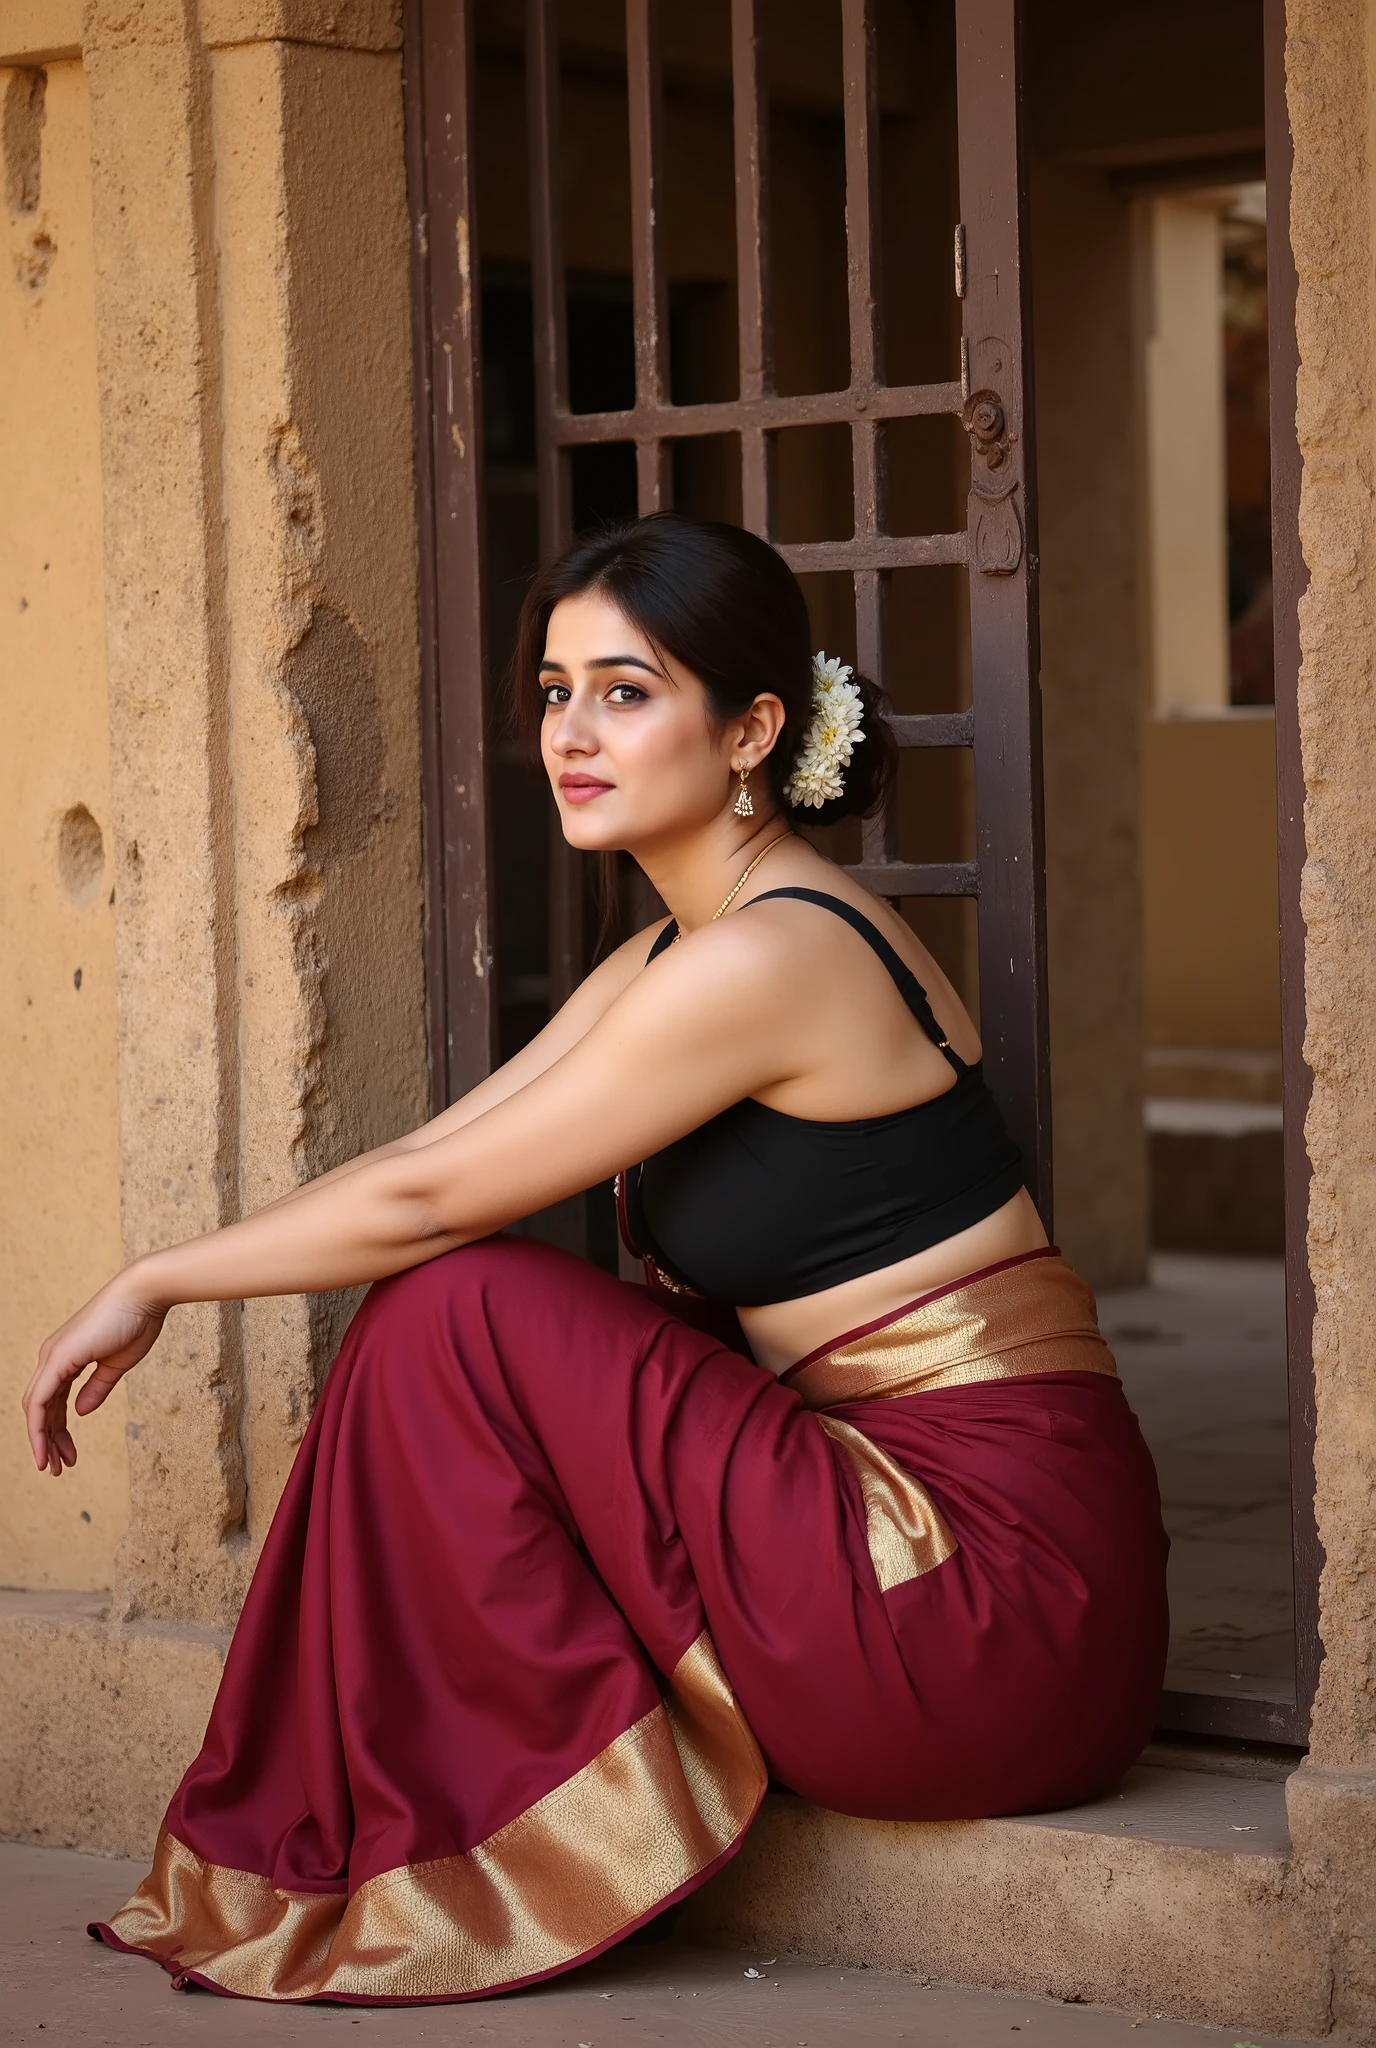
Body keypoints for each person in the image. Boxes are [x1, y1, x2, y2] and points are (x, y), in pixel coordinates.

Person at [23, 514, 1168, 2006]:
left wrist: (156, 1281)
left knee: (462, 1310)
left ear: (754, 727)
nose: (573, 731)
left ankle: (459, 1832)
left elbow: (433, 1210)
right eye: (558, 691)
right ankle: (458, 1821)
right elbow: (430, 1159)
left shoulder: (780, 958)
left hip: (985, 1604)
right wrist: (179, 1264)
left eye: (627, 691)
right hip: (917, 1562)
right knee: (441, 1312)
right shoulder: (677, 955)